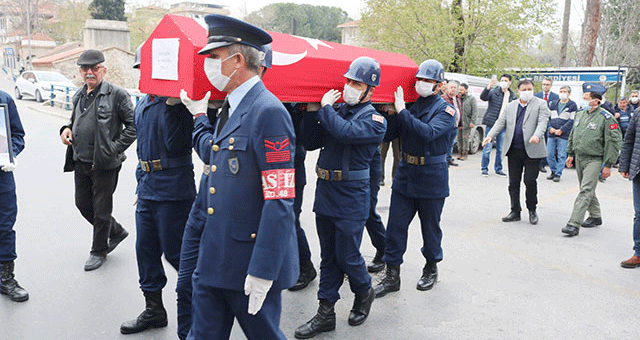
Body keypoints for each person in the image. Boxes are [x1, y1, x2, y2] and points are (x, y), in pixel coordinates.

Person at [179, 15, 298, 339]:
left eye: (214, 58)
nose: (208, 66)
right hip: (214, 258)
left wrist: (263, 271)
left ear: (237, 60)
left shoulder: (268, 112)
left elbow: (280, 197)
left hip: (249, 264)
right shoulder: (229, 108)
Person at [295, 57, 386, 339]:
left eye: (356, 83)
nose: (348, 87)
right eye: (347, 81)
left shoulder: (374, 120)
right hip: (326, 191)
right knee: (328, 256)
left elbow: (345, 134)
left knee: (347, 254)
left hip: (351, 196)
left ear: (370, 89)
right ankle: (326, 312)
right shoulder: (338, 111)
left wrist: (324, 108)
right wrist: (311, 112)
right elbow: (309, 142)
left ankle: (363, 289)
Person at [120, 44, 196, 335]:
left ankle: (199, 307)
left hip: (174, 190)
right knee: (146, 251)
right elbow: (142, 148)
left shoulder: (177, 102)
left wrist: (175, 107)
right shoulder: (143, 101)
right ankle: (154, 309)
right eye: (140, 70)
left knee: (178, 255)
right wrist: (141, 181)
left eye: (147, 70)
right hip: (148, 188)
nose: (143, 75)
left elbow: (178, 145)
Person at [374, 59, 455, 298]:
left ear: (439, 85)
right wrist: (387, 114)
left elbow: (427, 133)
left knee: (430, 229)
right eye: (419, 79)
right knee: (395, 228)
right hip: (406, 174)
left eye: (427, 80)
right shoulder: (411, 106)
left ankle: (431, 267)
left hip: (432, 178)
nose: (421, 84)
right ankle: (392, 275)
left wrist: (402, 111)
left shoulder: (446, 110)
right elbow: (390, 133)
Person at [59, 49, 136, 271]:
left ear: (104, 69)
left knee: (101, 210)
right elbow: (74, 120)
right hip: (80, 160)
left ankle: (98, 250)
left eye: (94, 68)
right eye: (85, 69)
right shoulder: (78, 95)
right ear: (80, 71)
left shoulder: (117, 94)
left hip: (104, 162)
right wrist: (66, 129)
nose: (90, 72)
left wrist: (114, 149)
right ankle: (116, 231)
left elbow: (133, 127)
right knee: (82, 204)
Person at [482, 79, 549, 225]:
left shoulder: (540, 104)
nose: (527, 92)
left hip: (532, 150)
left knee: (530, 181)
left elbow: (543, 122)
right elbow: (500, 122)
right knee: (513, 183)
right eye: (524, 89)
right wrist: (490, 135)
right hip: (514, 150)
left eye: (529, 89)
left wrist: (537, 135)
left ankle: (532, 209)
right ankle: (515, 211)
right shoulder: (511, 106)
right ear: (518, 91)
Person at [562, 83, 622, 237]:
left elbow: (614, 142)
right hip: (580, 157)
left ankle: (573, 223)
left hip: (595, 159)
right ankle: (595, 216)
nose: (583, 101)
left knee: (586, 190)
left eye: (586, 99)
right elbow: (573, 134)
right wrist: (570, 154)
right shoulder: (580, 114)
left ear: (596, 101)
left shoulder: (606, 117)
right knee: (586, 188)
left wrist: (608, 164)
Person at [0, 90, 28, 302]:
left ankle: (6, 277)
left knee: (5, 224)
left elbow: (17, 135)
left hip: (2, 172)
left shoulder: (3, 99)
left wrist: (11, 153)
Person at [480, 74, 517, 177]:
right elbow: (483, 97)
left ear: (510, 82)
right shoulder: (494, 92)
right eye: (502, 80)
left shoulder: (512, 96)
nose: (503, 82)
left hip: (504, 126)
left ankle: (498, 168)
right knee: (487, 147)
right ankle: (484, 168)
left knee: (500, 149)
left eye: (506, 80)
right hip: (492, 123)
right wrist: (488, 87)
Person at [618, 106, 640, 268]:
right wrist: (624, 165)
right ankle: (638, 253)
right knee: (639, 214)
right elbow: (629, 140)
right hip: (639, 171)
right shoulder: (638, 112)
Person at [546, 85, 577, 182]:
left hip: (563, 135)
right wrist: (550, 128)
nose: (563, 93)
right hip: (552, 134)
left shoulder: (572, 105)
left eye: (565, 91)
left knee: (561, 155)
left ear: (569, 93)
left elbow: (572, 121)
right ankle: (553, 171)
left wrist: (562, 130)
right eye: (561, 91)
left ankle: (558, 173)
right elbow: (548, 118)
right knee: (549, 154)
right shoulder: (553, 104)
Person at [535, 78, 559, 173]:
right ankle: (536, 163)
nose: (545, 86)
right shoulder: (537, 96)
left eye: (547, 84)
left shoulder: (555, 97)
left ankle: (543, 164)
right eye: (544, 84)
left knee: (546, 144)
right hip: (538, 122)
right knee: (537, 143)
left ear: (551, 85)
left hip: (549, 123)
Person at [441, 80, 461, 166]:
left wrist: (460, 123)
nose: (453, 89)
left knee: (451, 143)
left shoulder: (457, 98)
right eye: (451, 87)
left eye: (455, 88)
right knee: (444, 143)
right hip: (447, 126)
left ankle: (449, 158)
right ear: (447, 88)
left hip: (455, 125)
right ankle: (443, 160)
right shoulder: (443, 98)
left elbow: (460, 110)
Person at [457, 83, 477, 161]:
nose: (460, 91)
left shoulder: (471, 99)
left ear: (466, 90)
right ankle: (460, 153)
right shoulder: (457, 98)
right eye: (459, 89)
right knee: (459, 138)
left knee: (465, 138)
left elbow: (474, 111)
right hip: (458, 122)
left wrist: (472, 121)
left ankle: (465, 154)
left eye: (461, 90)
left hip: (467, 122)